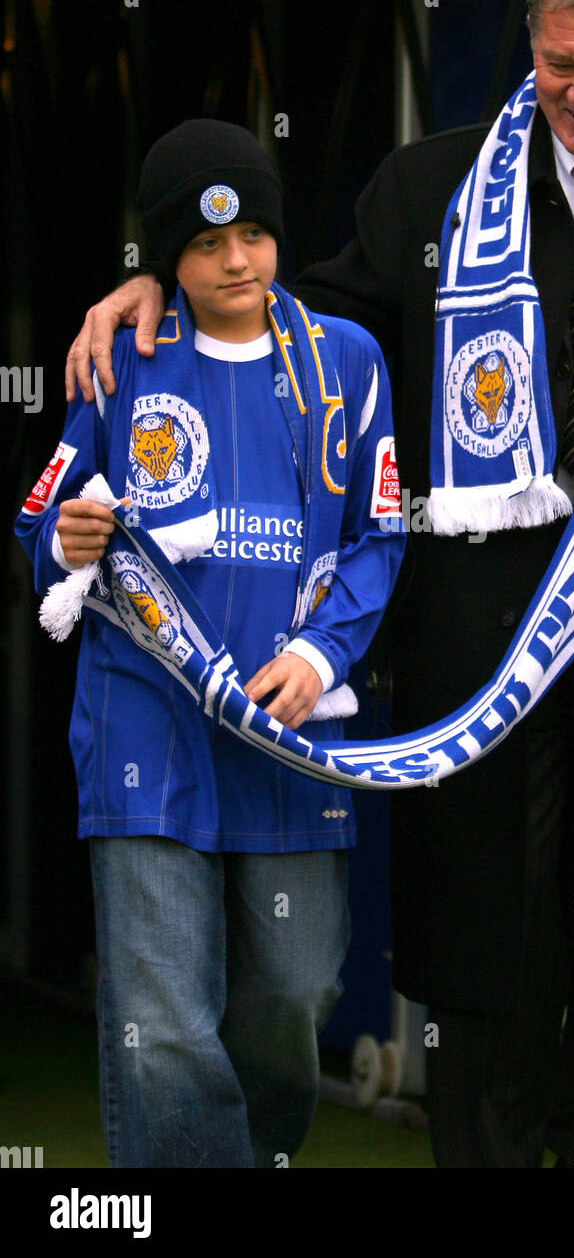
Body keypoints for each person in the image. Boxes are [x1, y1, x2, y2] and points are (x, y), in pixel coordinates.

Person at [65, 0, 574, 1168]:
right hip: (476, 636)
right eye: (556, 66)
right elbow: (300, 326)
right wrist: (154, 285)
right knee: (485, 951)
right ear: (529, 52)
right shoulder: (430, 187)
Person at [17, 119, 404, 1168]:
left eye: (254, 237)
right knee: (165, 1022)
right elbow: (38, 516)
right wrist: (66, 537)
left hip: (288, 740)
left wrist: (322, 654)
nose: (236, 261)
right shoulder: (120, 363)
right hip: (146, 731)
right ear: (164, 260)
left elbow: (381, 531)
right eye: (202, 245)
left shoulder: (346, 362)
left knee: (290, 994)